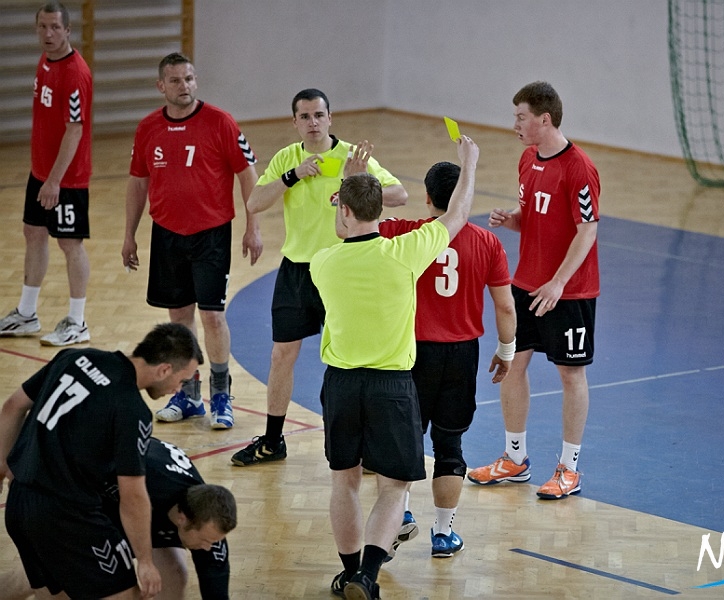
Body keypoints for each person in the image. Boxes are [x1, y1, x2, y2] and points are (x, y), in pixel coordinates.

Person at [310, 136, 479, 600]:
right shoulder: (403, 253)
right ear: (382, 209)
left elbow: (344, 234)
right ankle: (367, 575)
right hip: (392, 386)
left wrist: (347, 183)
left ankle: (346, 572)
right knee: (393, 487)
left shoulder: (323, 264)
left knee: (345, 482)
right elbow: (457, 216)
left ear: (343, 210)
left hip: (341, 384)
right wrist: (469, 165)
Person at [230, 88, 407, 467]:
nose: (313, 123)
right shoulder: (287, 159)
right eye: (305, 117)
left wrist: (358, 180)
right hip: (297, 271)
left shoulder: (351, 157)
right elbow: (255, 202)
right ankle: (273, 440)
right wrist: (292, 176)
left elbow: (400, 195)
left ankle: (366, 445)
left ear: (330, 118)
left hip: (343, 269)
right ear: (295, 122)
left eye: (319, 115)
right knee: (282, 354)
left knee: (352, 360)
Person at [0, 322, 204, 599]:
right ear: (164, 369)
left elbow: (12, 407)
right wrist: (145, 561)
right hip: (69, 515)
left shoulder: (75, 357)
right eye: (182, 381)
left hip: (19, 505)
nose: (178, 390)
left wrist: (3, 468)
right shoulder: (131, 410)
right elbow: (133, 495)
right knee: (126, 595)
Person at [467, 81, 601, 500]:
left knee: (570, 374)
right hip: (526, 284)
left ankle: (569, 468)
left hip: (570, 292)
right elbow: (534, 215)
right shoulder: (527, 159)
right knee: (512, 365)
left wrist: (559, 281)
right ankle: (514, 458)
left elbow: (587, 230)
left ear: (544, 119)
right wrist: (511, 219)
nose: (515, 125)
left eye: (520, 117)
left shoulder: (580, 168)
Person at [378, 161, 516, 560]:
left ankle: (399, 514)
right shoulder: (488, 243)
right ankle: (443, 534)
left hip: (413, 352)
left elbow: (357, 229)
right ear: (465, 197)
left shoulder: (406, 233)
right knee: (449, 444)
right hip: (461, 354)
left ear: (427, 197)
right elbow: (505, 307)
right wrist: (506, 351)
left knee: (403, 440)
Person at [123, 52, 263, 430]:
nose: (183, 86)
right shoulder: (148, 127)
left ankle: (221, 395)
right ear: (161, 86)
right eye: (175, 80)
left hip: (211, 235)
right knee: (179, 317)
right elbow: (138, 183)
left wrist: (253, 226)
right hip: (167, 234)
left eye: (189, 79)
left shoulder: (220, 122)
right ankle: (188, 395)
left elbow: (248, 174)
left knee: (212, 316)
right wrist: (129, 235)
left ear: (195, 81)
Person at [1, 436, 237, 600]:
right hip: (80, 502)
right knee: (55, 583)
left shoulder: (208, 518)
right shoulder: (137, 486)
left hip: (141, 504)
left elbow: (216, 593)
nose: (209, 547)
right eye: (206, 540)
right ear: (182, 518)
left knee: (175, 575)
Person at [0, 2, 93, 347]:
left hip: (66, 177)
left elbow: (74, 130)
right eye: (43, 27)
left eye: (55, 27)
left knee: (70, 243)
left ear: (68, 30)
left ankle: (77, 322)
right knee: (33, 233)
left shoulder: (75, 73)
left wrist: (54, 180)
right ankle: (27, 314)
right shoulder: (45, 61)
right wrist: (43, 175)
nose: (48, 34)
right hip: (40, 172)